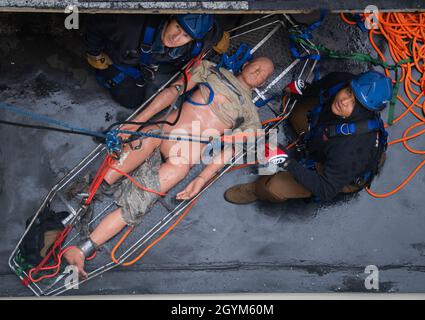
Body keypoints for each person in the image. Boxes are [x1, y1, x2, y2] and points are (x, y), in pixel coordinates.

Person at [63, 57, 275, 277]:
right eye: (257, 66)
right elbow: (171, 92)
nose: (258, 72)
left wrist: (202, 179)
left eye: (264, 74)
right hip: (165, 129)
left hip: (183, 155)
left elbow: (229, 152)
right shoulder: (211, 70)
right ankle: (87, 193)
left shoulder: (251, 118)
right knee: (137, 147)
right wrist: (136, 123)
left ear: (263, 83)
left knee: (138, 205)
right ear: (246, 64)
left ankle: (81, 250)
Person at [224, 70, 392, 204]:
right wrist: (305, 90)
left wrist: (287, 161)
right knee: (297, 114)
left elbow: (326, 190)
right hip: (329, 135)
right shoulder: (342, 80)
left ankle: (257, 189)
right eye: (348, 92)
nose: (344, 100)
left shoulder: (351, 150)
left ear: (365, 111)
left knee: (273, 187)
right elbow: (323, 87)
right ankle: (312, 145)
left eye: (354, 103)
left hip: (337, 174)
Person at [86, 13, 228, 109]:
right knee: (131, 100)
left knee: (178, 69)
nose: (176, 38)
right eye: (177, 27)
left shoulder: (200, 38)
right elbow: (96, 25)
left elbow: (214, 28)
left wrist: (220, 36)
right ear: (170, 18)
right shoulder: (128, 27)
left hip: (158, 61)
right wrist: (95, 53)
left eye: (185, 36)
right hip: (124, 58)